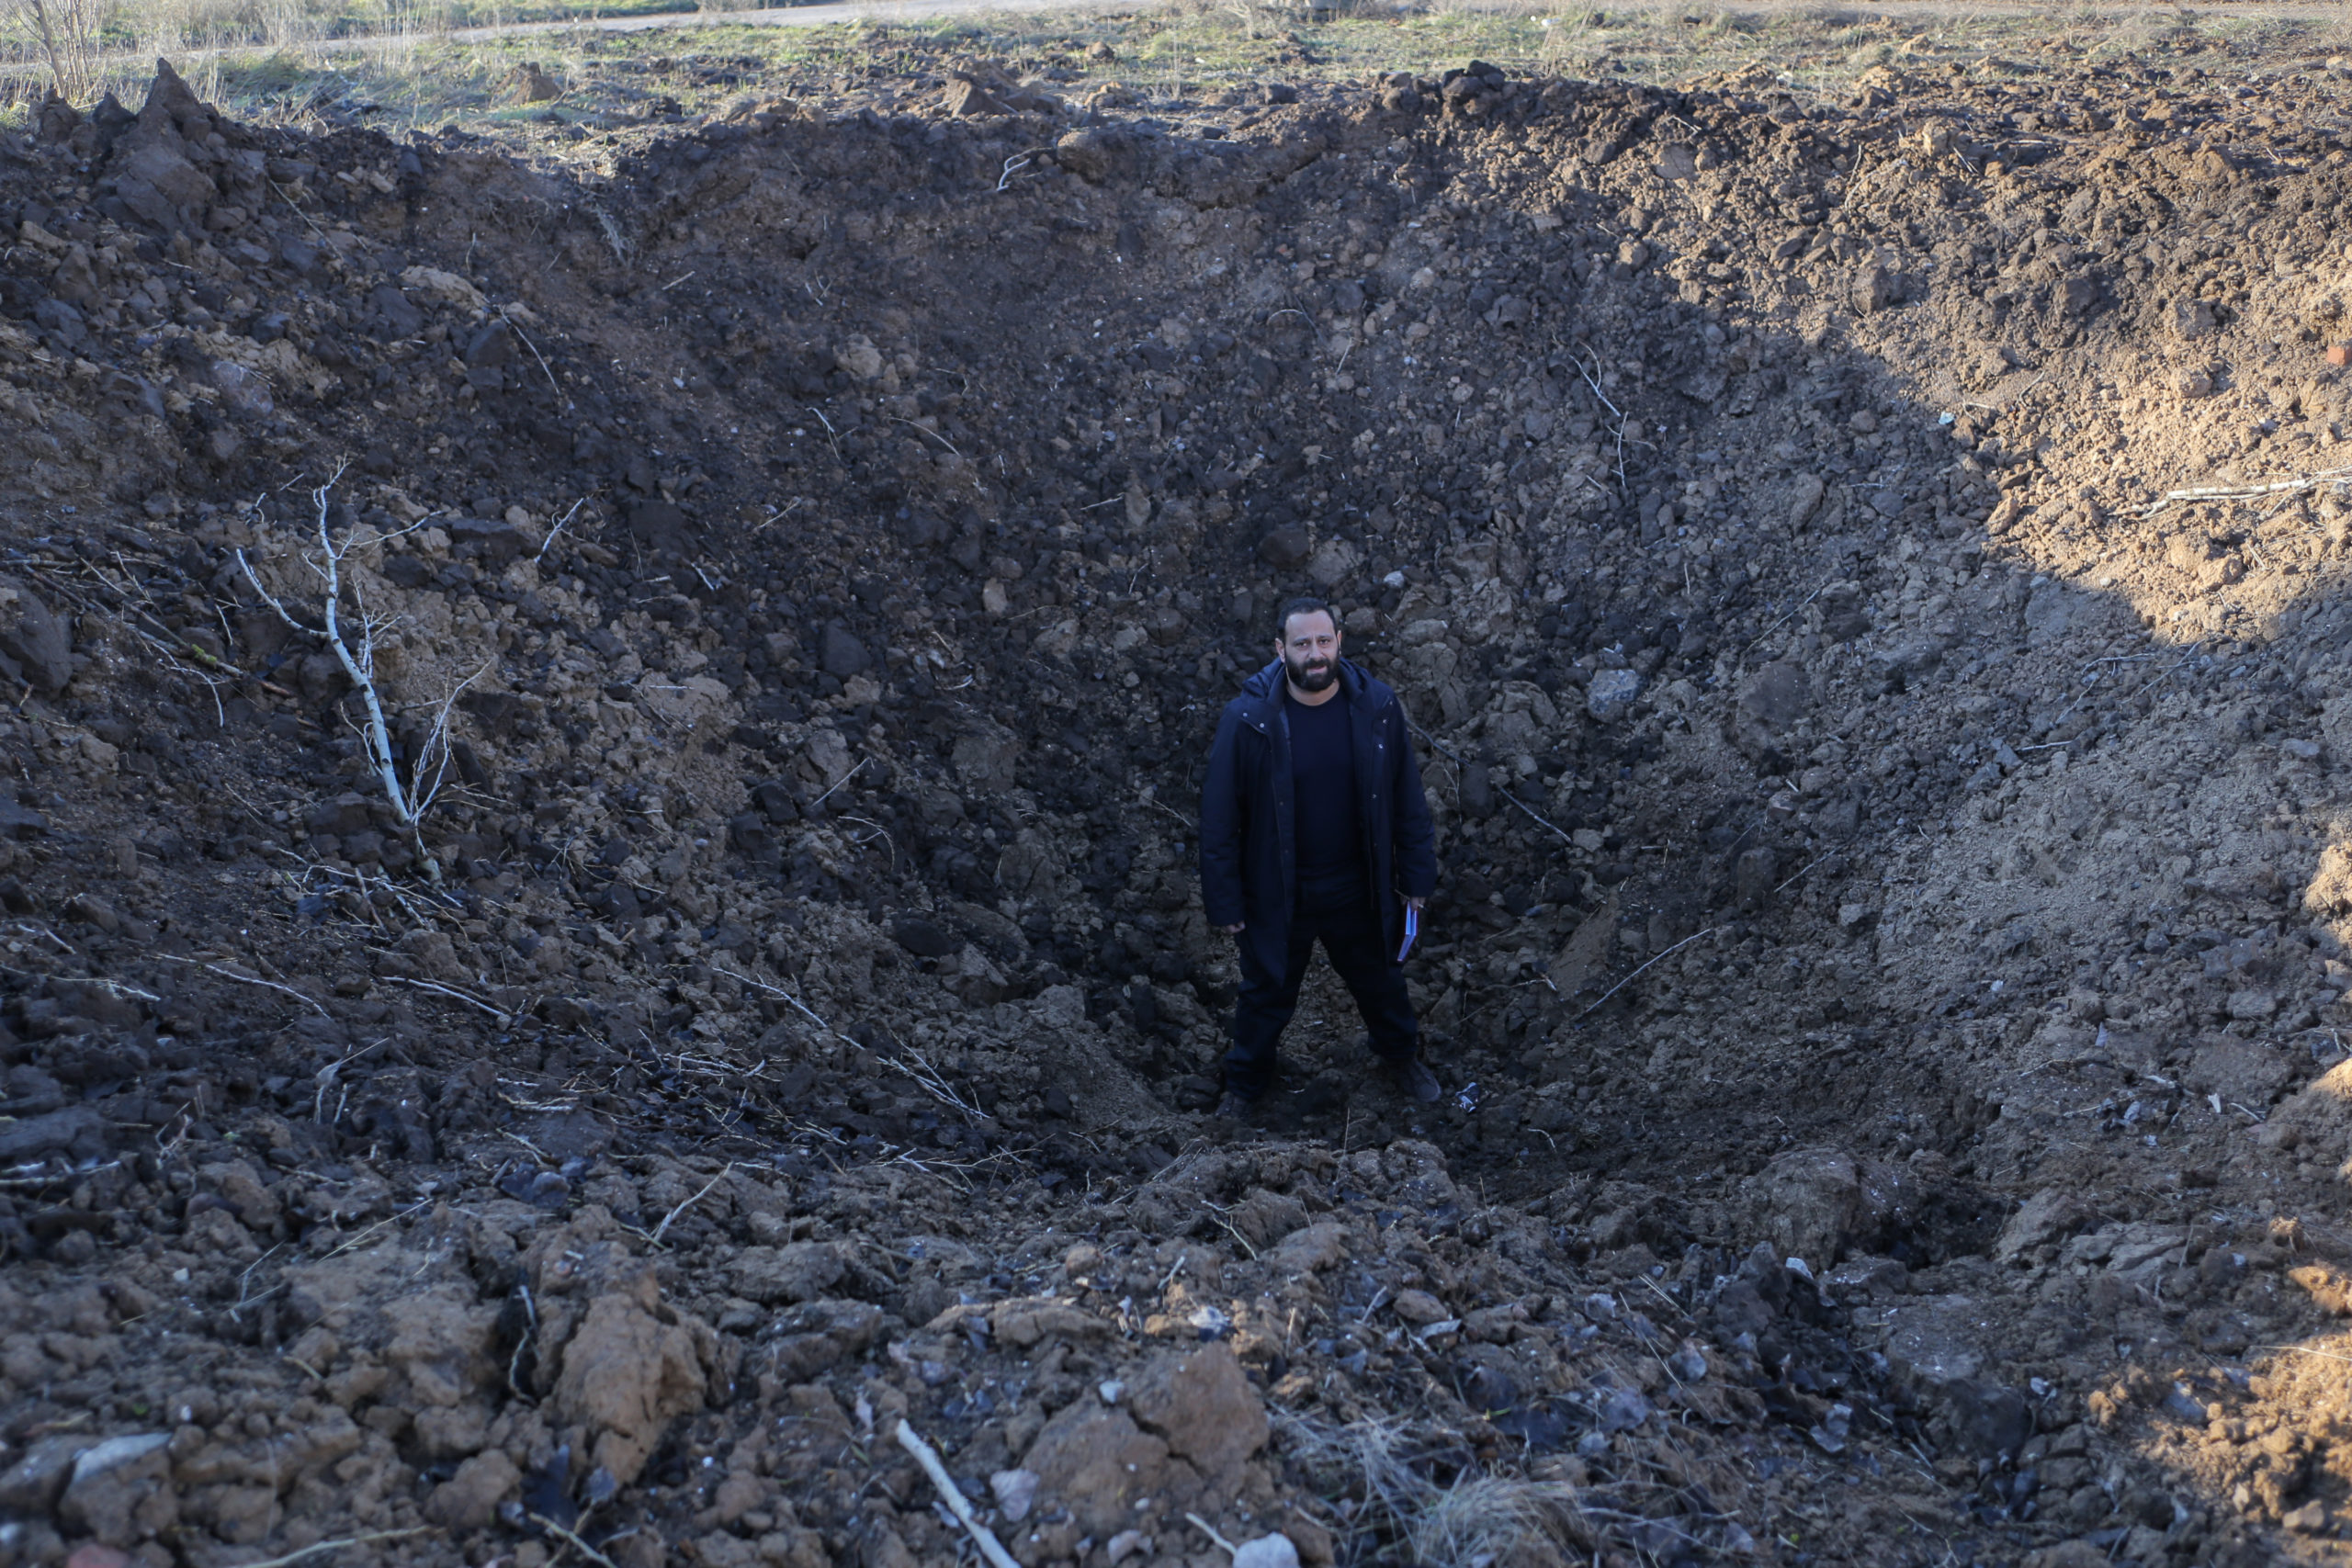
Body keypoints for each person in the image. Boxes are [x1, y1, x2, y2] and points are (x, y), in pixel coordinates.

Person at [1199, 596, 1441, 1117]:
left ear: (1339, 643)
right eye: (1303, 643)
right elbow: (1219, 817)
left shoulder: (1376, 707)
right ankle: (1244, 1086)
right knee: (1265, 993)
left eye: (1324, 641)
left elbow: (1407, 798)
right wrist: (1225, 901)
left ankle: (1401, 1057)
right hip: (1277, 889)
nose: (1315, 653)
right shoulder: (1248, 720)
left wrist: (1417, 878)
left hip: (1358, 885)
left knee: (1381, 983)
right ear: (1280, 649)